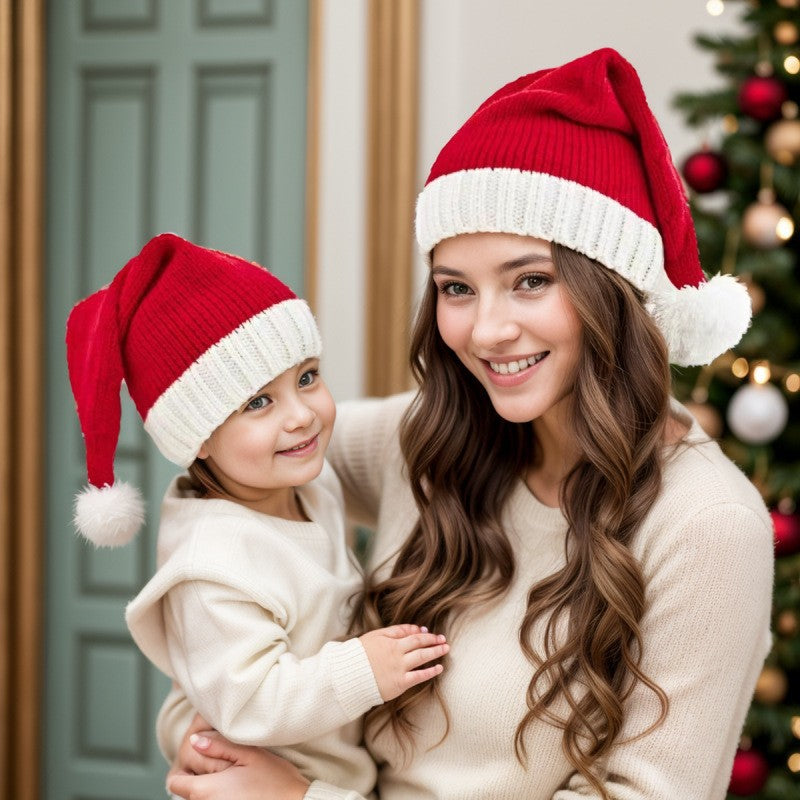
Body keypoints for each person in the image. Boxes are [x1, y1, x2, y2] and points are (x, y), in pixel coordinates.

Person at [164, 48, 774, 800]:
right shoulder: (425, 440)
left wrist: (300, 798)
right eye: (456, 288)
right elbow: (226, 479)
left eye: (531, 281)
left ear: (613, 290)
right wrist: (208, 718)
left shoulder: (708, 525)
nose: (486, 331)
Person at [64, 233, 449, 799]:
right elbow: (248, 701)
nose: (301, 416)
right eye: (258, 403)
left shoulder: (309, 485)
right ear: (197, 438)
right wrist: (364, 669)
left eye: (307, 377)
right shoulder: (213, 562)